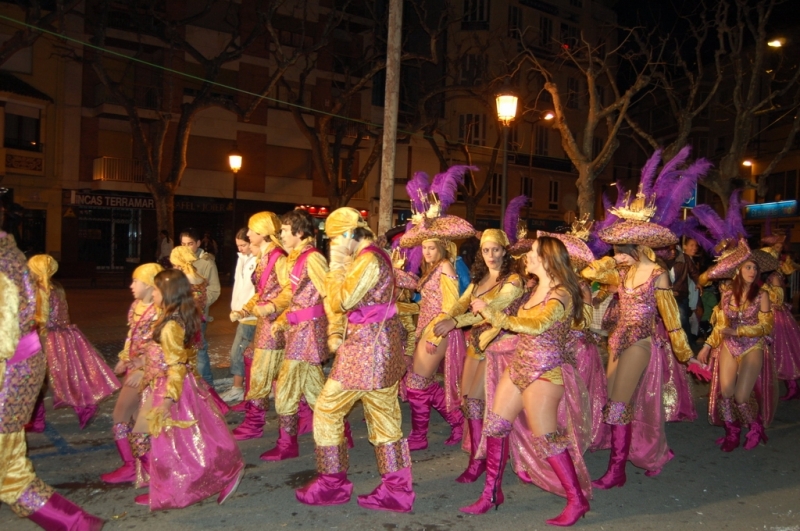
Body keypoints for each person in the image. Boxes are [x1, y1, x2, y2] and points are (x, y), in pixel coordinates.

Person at [460, 237, 592, 525]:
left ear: (546, 259)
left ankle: (576, 500)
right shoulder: (532, 288)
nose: (527, 257)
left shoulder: (563, 294)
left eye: (532, 253)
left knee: (547, 438)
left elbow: (537, 324)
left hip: (544, 372)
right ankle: (491, 493)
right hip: (520, 365)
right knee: (495, 426)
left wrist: (491, 313)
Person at [296, 207, 414, 513]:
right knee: (386, 421)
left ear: (349, 234)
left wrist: (335, 267)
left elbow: (341, 300)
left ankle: (332, 484)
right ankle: (397, 491)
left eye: (335, 239)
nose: (333, 245)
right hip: (379, 347)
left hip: (366, 352)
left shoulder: (367, 260)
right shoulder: (375, 256)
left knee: (326, 410)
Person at [0, 198, 105, 529]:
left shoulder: (7, 264)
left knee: (12, 477)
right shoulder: (13, 259)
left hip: (11, 374)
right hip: (26, 363)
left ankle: (76, 524)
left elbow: (8, 335)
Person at [582, 185, 693, 488]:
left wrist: (686, 354)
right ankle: (650, 452)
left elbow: (672, 319)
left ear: (634, 247)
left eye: (618, 249)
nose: (614, 254)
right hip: (617, 340)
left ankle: (617, 471)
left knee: (618, 404)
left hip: (641, 342)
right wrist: (609, 263)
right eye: (614, 249)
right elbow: (590, 273)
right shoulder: (621, 273)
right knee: (616, 402)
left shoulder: (658, 273)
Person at [131, 269, 244, 509]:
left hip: (170, 388)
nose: (154, 293)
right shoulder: (172, 316)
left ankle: (217, 474)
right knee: (183, 440)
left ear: (168, 293)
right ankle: (165, 484)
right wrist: (143, 361)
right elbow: (167, 354)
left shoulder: (171, 324)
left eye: (158, 289)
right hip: (166, 384)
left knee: (176, 441)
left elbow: (176, 364)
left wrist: (168, 399)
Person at [433, 229, 523, 484]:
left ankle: (480, 461)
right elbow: (461, 303)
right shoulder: (479, 277)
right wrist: (446, 316)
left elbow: (490, 311)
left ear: (505, 251)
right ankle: (479, 455)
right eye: (486, 250)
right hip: (476, 345)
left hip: (499, 346)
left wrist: (455, 322)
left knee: (476, 401)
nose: (491, 255)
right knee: (468, 402)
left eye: (496, 250)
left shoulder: (513, 281)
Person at [398, 208, 475, 451]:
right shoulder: (432, 269)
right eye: (425, 247)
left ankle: (420, 436)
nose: (428, 251)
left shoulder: (446, 268)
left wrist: (432, 335)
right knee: (423, 383)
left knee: (416, 384)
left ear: (442, 247)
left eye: (432, 247)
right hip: (426, 330)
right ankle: (457, 422)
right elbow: (423, 302)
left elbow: (450, 306)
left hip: (438, 332)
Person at [257, 209, 331, 461]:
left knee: (286, 387)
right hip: (297, 331)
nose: (281, 236)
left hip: (307, 333)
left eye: (285, 231)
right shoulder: (296, 257)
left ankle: (287, 445)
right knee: (314, 390)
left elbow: (329, 294)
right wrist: (277, 314)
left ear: (299, 232)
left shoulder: (313, 258)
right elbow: (293, 295)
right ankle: (339, 432)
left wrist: (338, 330)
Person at [697, 240, 778, 451]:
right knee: (725, 394)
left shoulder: (763, 296)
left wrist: (739, 331)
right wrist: (706, 346)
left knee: (742, 397)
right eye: (748, 267)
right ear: (738, 271)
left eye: (755, 268)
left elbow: (766, 327)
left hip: (753, 346)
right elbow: (721, 326)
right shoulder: (726, 296)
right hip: (729, 346)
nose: (752, 271)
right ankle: (732, 432)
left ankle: (755, 427)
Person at [25, 255, 120, 431]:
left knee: (43, 380)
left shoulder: (40, 290)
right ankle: (81, 407)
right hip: (63, 336)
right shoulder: (57, 288)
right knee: (65, 378)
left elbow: (41, 320)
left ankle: (38, 420)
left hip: (47, 339)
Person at [101, 263, 163, 485]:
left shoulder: (159, 311)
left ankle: (134, 466)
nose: (131, 286)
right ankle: (144, 466)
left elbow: (162, 345)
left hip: (147, 370)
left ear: (148, 285)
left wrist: (143, 368)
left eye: (136, 281)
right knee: (137, 418)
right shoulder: (136, 305)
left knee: (121, 415)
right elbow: (132, 335)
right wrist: (123, 357)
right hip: (135, 366)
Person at [231, 212, 288, 440]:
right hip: (266, 323)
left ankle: (255, 423)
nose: (248, 234)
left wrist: (272, 307)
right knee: (276, 373)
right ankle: (300, 420)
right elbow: (261, 292)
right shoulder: (265, 256)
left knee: (262, 373)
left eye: (252, 230)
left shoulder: (278, 257)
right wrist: (244, 310)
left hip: (276, 324)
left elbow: (291, 291)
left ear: (263, 232)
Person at [220, 229, 257, 404]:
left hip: (251, 314)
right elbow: (239, 286)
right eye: (239, 246)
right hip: (241, 313)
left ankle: (238, 388)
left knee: (239, 351)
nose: (241, 248)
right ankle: (244, 387)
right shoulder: (242, 259)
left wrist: (246, 308)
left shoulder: (258, 260)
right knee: (247, 351)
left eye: (244, 245)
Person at [179, 228, 220, 385]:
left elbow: (215, 290)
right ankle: (185, 386)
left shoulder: (206, 263)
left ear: (197, 243)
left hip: (197, 315)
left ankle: (207, 386)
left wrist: (198, 303)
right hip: (178, 314)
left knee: (200, 351)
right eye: (183, 244)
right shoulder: (177, 261)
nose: (186, 247)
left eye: (190, 244)